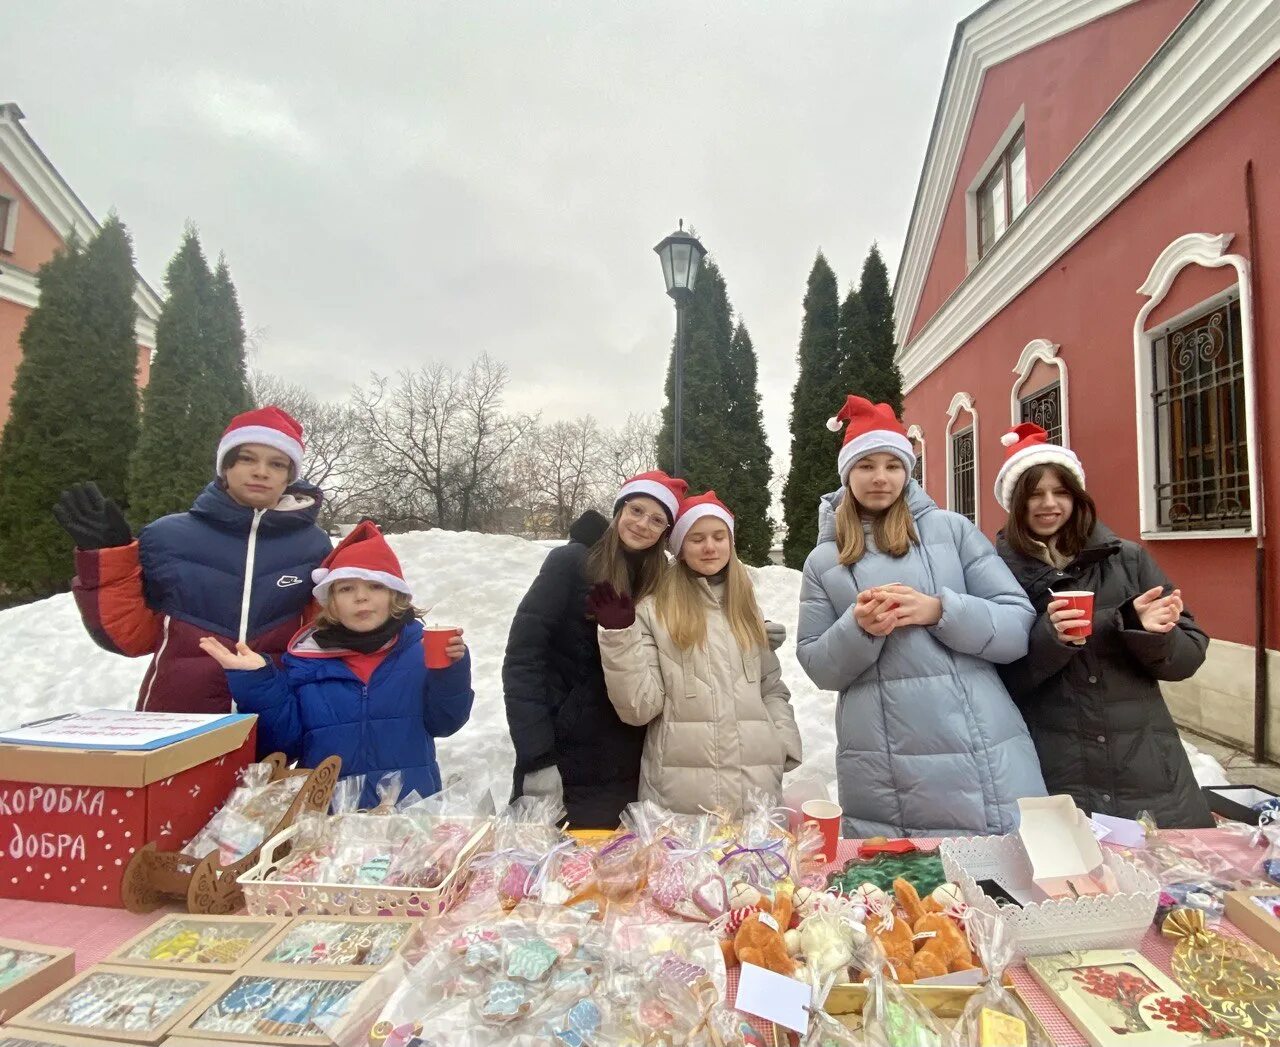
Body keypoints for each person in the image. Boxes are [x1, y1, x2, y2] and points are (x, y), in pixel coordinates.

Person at [796, 395, 1045, 838]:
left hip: (980, 748)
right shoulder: (823, 561)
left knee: (997, 890)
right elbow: (817, 666)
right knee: (905, 894)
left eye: (892, 465)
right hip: (882, 760)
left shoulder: (953, 530)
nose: (880, 477)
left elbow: (1017, 629)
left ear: (908, 471)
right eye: (866, 465)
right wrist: (859, 629)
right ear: (847, 473)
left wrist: (940, 610)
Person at [992, 423, 1214, 828]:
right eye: (1035, 494)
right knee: (1069, 884)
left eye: (1060, 492)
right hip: (1054, 769)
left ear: (1076, 498)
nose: (1048, 504)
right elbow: (998, 678)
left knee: (1163, 885)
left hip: (1145, 769)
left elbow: (1186, 658)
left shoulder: (1128, 559)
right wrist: (1050, 638)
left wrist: (1151, 632)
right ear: (1016, 503)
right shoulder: (996, 573)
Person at [54, 406, 333, 714]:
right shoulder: (166, 537)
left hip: (272, 720)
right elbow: (131, 638)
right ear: (224, 468)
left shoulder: (314, 546)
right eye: (247, 458)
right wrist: (109, 558)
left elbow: (321, 637)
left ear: (288, 479)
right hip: (176, 720)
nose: (261, 471)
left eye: (277, 464)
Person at [200, 521, 473, 806]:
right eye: (345, 588)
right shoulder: (305, 660)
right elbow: (286, 744)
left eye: (375, 585)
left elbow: (445, 723)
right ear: (330, 602)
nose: (361, 596)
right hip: (327, 818)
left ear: (396, 595)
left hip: (410, 812)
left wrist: (451, 671)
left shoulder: (419, 652)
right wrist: (257, 682)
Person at [592, 492, 801, 815]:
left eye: (719, 537)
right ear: (680, 548)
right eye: (697, 538)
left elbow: (771, 688)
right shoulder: (654, 610)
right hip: (679, 801)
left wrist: (781, 743)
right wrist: (619, 637)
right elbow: (639, 708)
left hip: (755, 793)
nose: (709, 547)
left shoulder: (745, 607)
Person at [503, 471, 687, 828]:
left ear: (665, 532)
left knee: (612, 874)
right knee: (546, 873)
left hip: (627, 758)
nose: (642, 524)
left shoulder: (662, 580)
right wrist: (536, 756)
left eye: (656, 519)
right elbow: (523, 660)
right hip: (562, 753)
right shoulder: (570, 563)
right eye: (636, 510)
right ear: (619, 510)